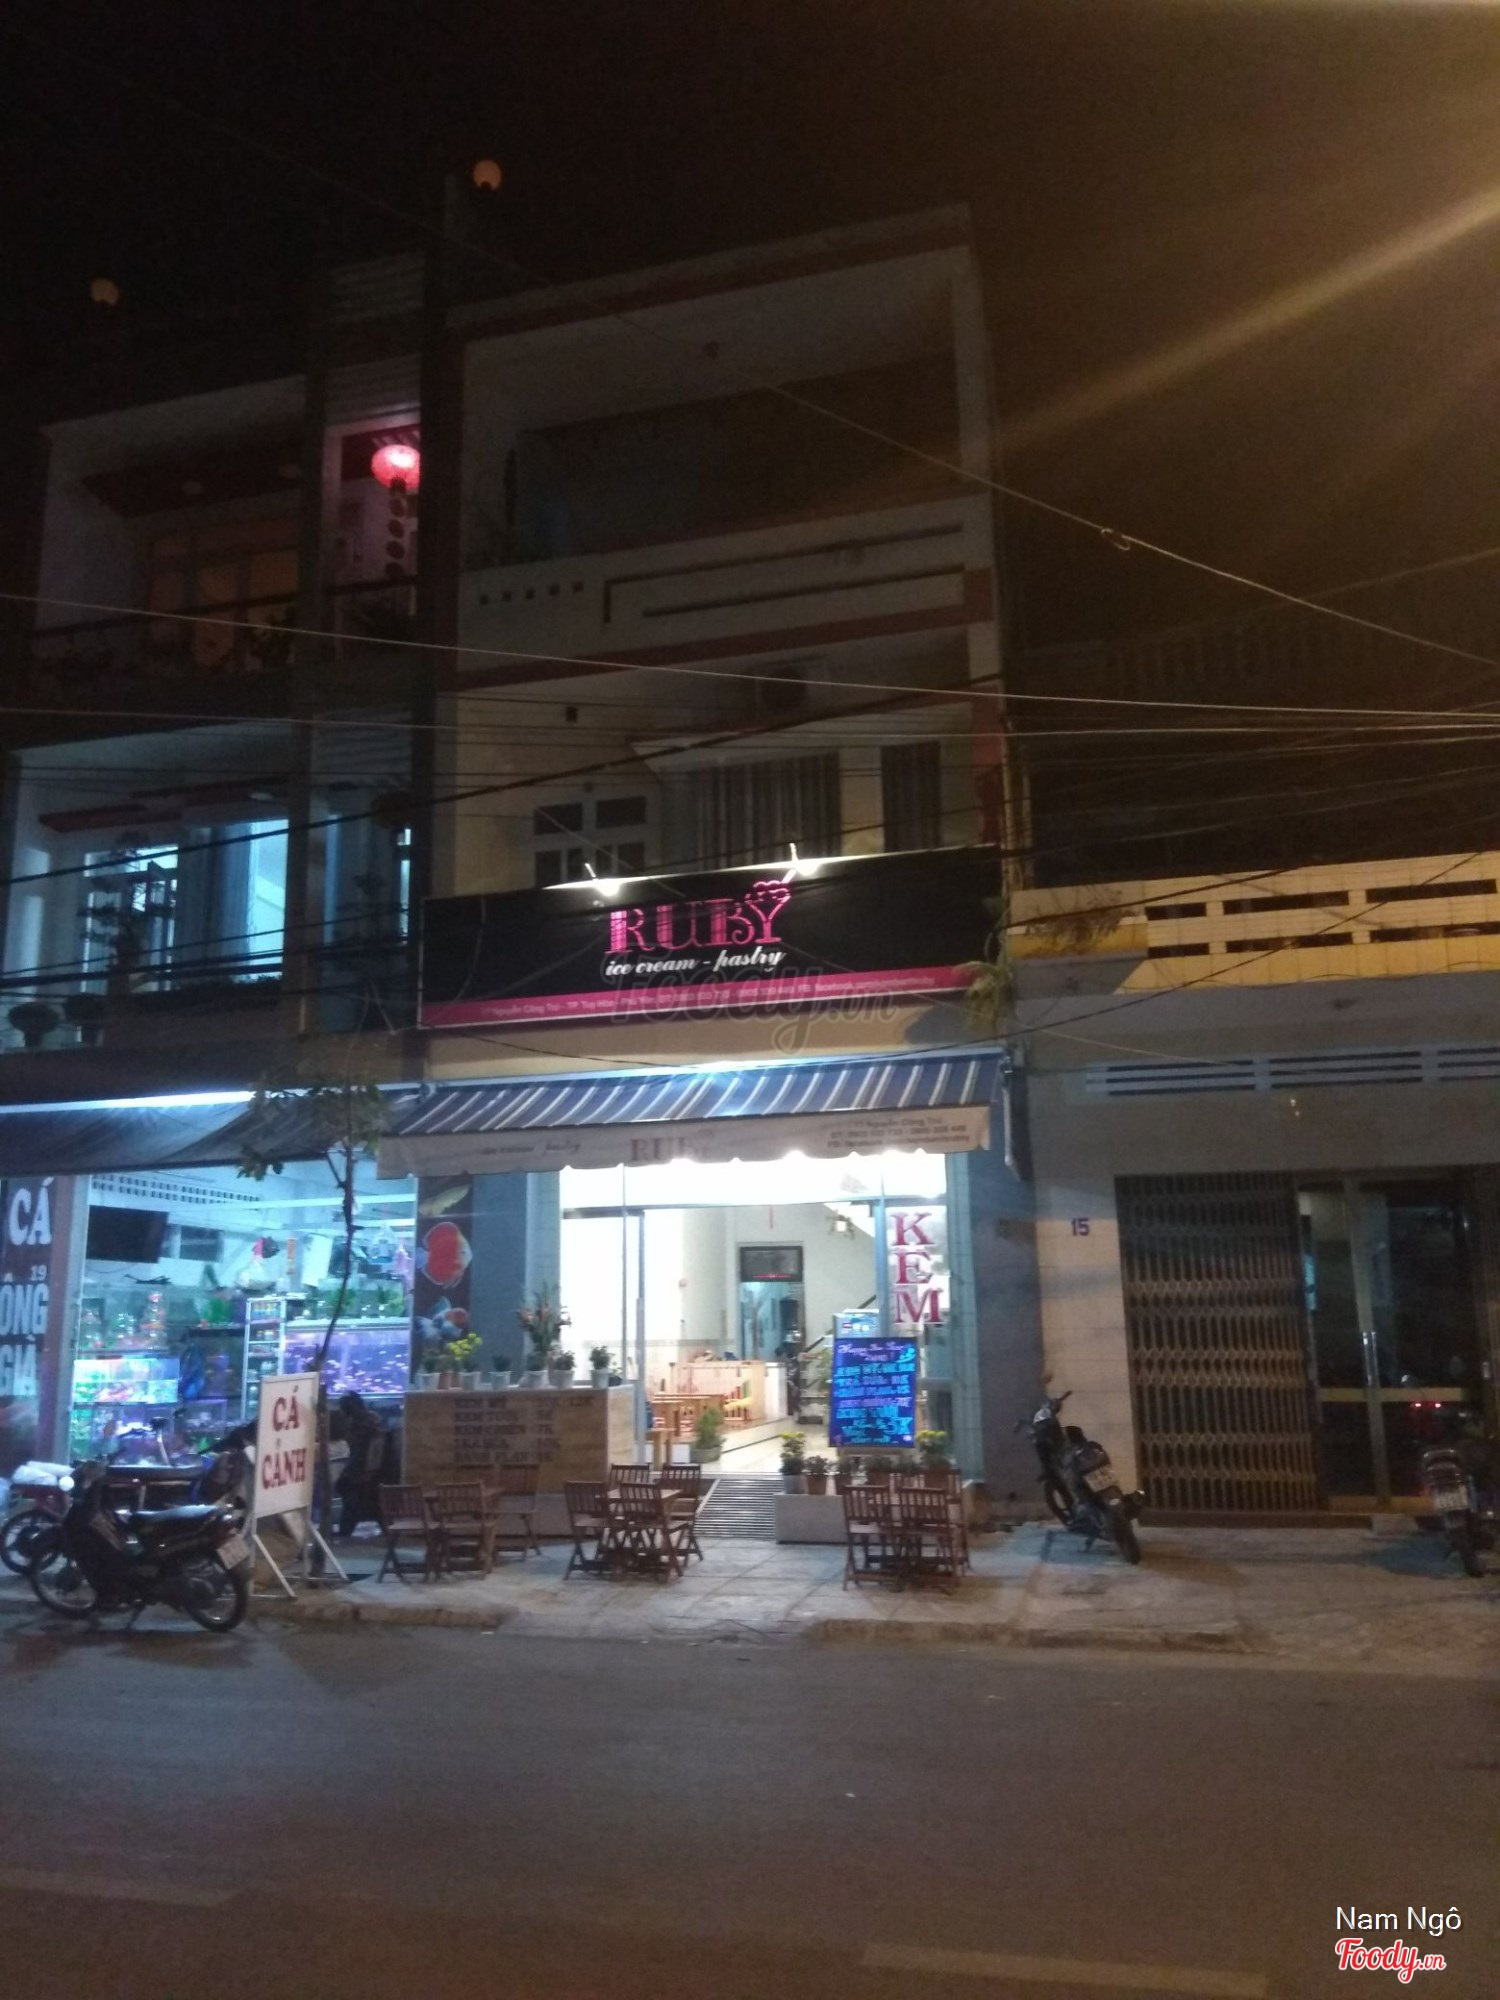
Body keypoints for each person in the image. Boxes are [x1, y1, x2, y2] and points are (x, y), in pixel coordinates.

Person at [333, 1392, 385, 1539]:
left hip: (362, 1471)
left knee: (347, 1490)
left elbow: (358, 1454)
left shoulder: (358, 1426)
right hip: (373, 1470)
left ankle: (345, 1529)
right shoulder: (373, 1420)